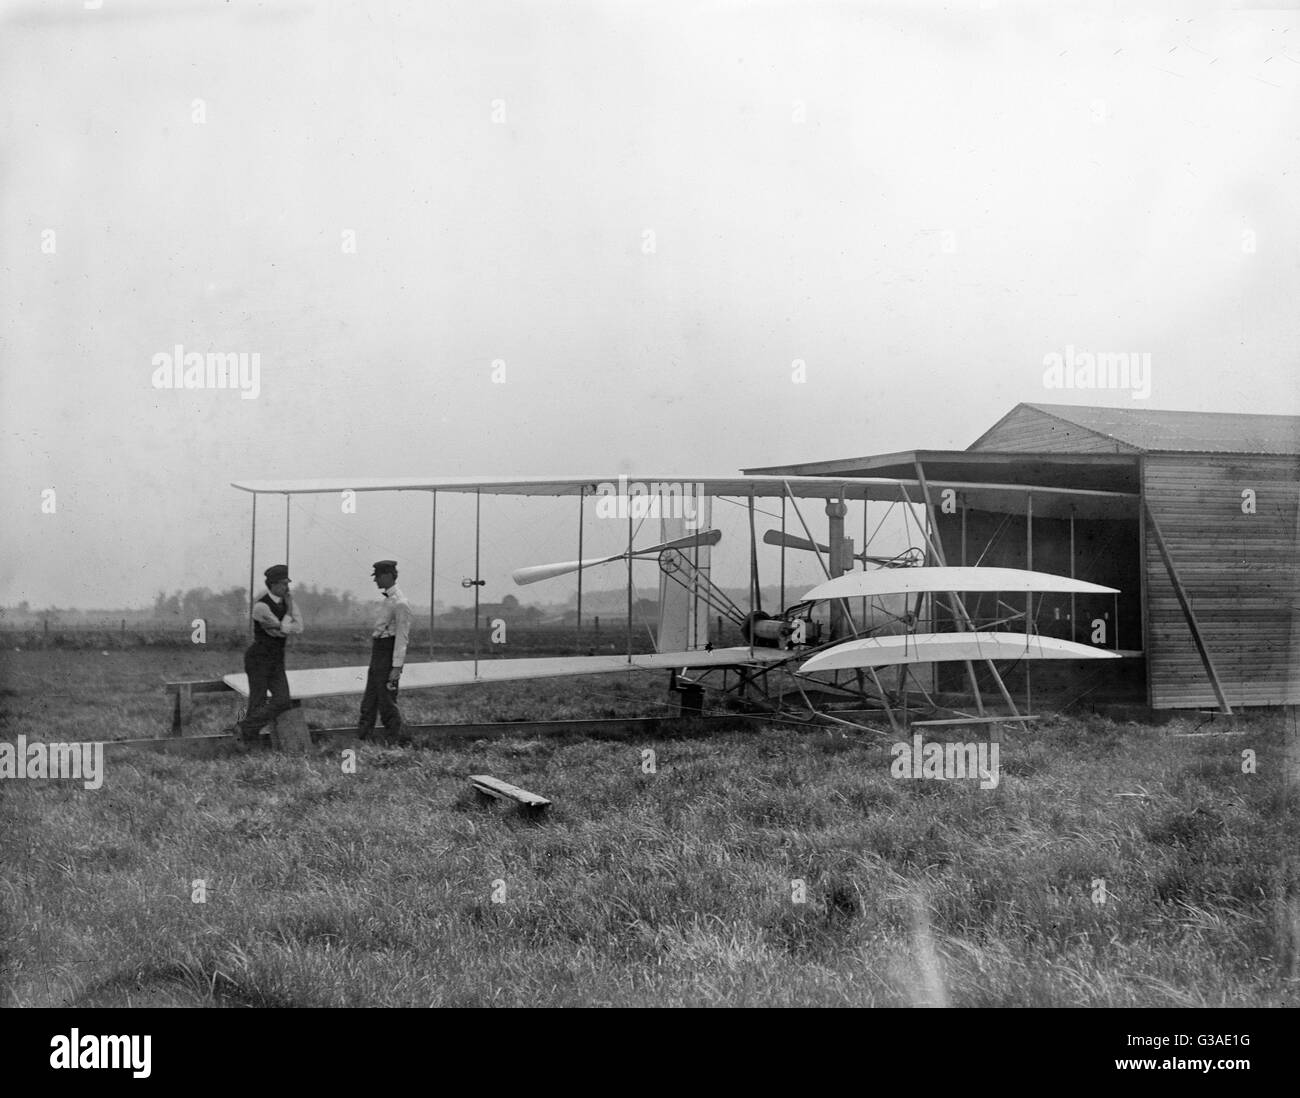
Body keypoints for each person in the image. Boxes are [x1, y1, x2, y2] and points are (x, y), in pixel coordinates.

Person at [231, 564, 305, 749]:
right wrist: (288, 615)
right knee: (258, 700)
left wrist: (284, 624)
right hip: (258, 659)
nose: (286, 588)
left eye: (287, 584)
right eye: (282, 584)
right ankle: (249, 743)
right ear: (272, 585)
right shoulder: (261, 607)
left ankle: (244, 728)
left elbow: (299, 627)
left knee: (283, 700)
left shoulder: (288, 602)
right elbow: (279, 631)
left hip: (276, 660)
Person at [357, 559, 411, 742]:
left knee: (387, 701)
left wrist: (396, 667)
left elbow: (402, 637)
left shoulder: (400, 602)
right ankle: (363, 739)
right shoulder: (388, 600)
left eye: (378, 576)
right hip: (378, 652)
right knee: (369, 700)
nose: (375, 580)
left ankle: (394, 742)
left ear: (388, 575)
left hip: (387, 654)